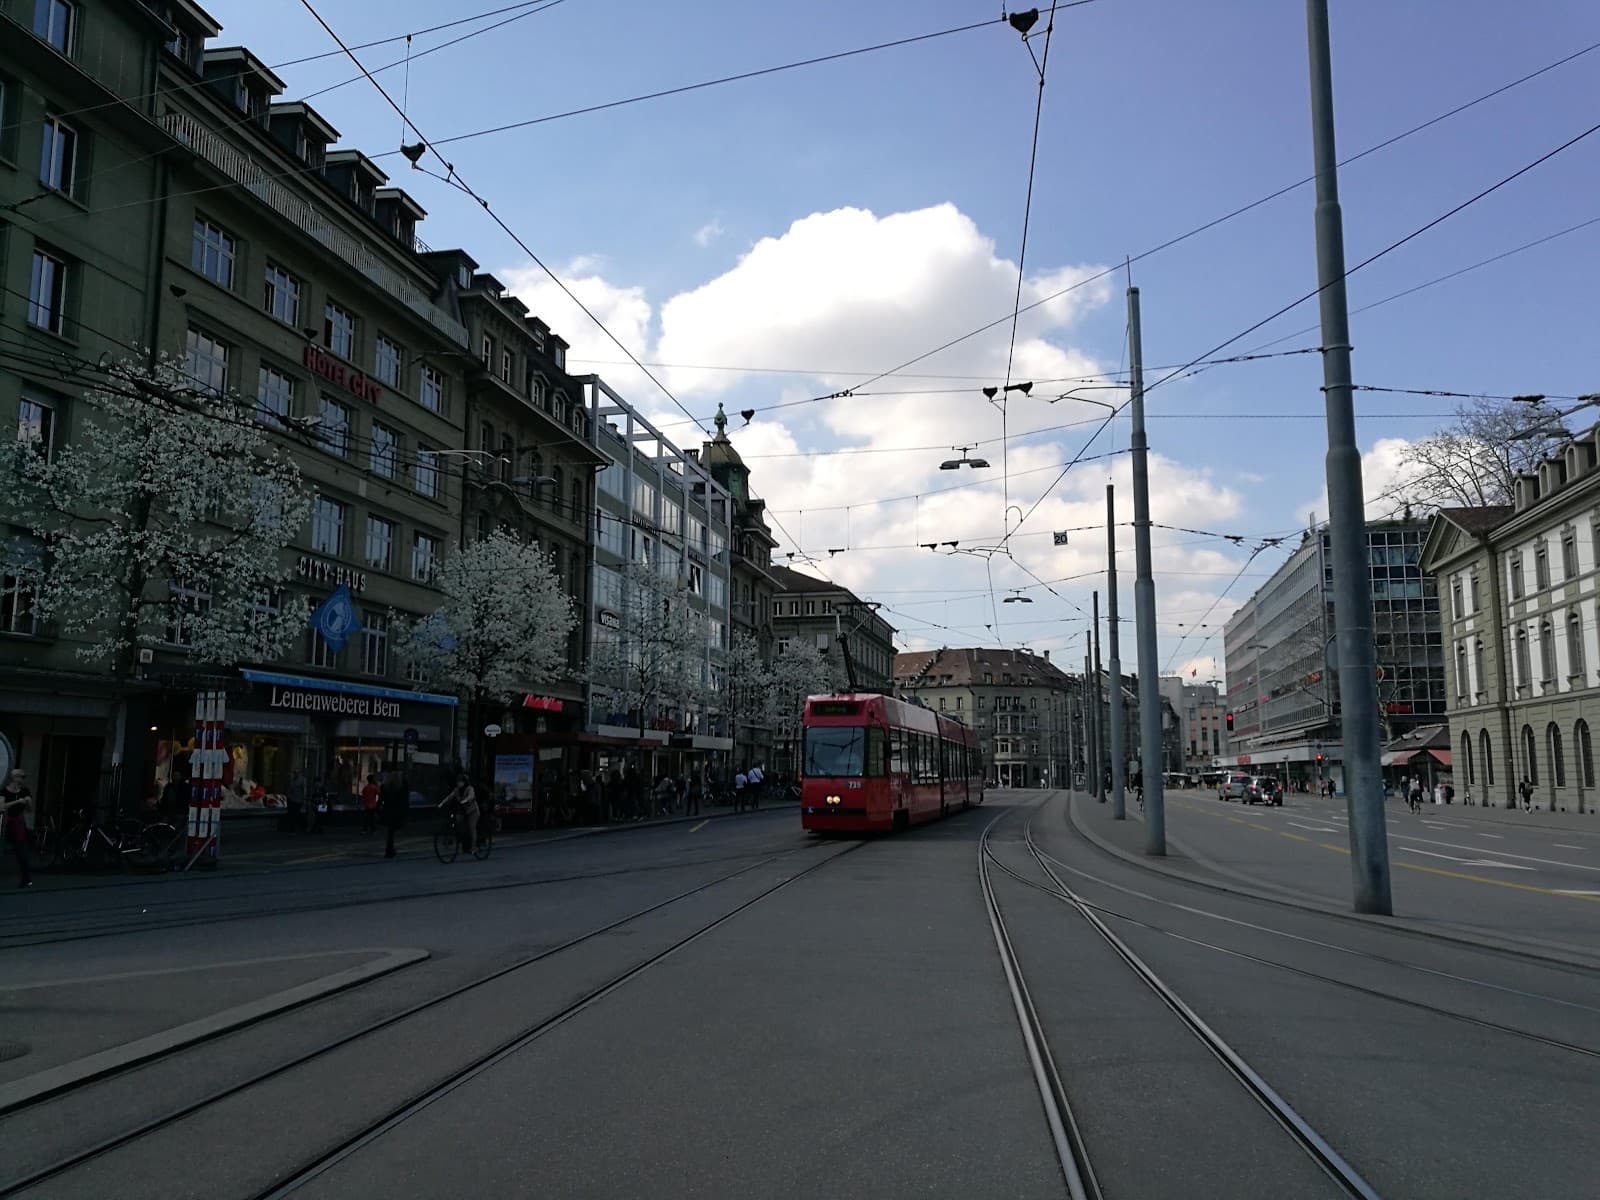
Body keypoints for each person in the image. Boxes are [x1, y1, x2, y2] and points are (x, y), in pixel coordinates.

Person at [3, 768, 34, 889]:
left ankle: (26, 879)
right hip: (5, 821)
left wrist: (28, 802)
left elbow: (29, 809)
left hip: (18, 823)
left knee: (21, 851)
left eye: (23, 777)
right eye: (20, 776)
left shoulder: (25, 791)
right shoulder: (4, 791)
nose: (22, 779)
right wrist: (17, 802)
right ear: (13, 778)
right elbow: (1, 806)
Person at [442, 774, 480, 855]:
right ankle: (463, 844)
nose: (458, 783)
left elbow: (471, 796)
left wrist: (466, 800)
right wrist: (442, 803)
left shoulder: (470, 788)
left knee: (471, 828)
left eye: (460, 782)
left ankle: (474, 847)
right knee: (460, 826)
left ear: (464, 782)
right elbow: (450, 797)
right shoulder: (457, 790)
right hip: (463, 812)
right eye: (458, 782)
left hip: (473, 812)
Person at [379, 769, 409, 859]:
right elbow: (404, 801)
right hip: (396, 812)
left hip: (388, 811)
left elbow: (381, 798)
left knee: (390, 831)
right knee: (391, 831)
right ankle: (389, 849)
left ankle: (389, 849)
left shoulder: (386, 788)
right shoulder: (399, 789)